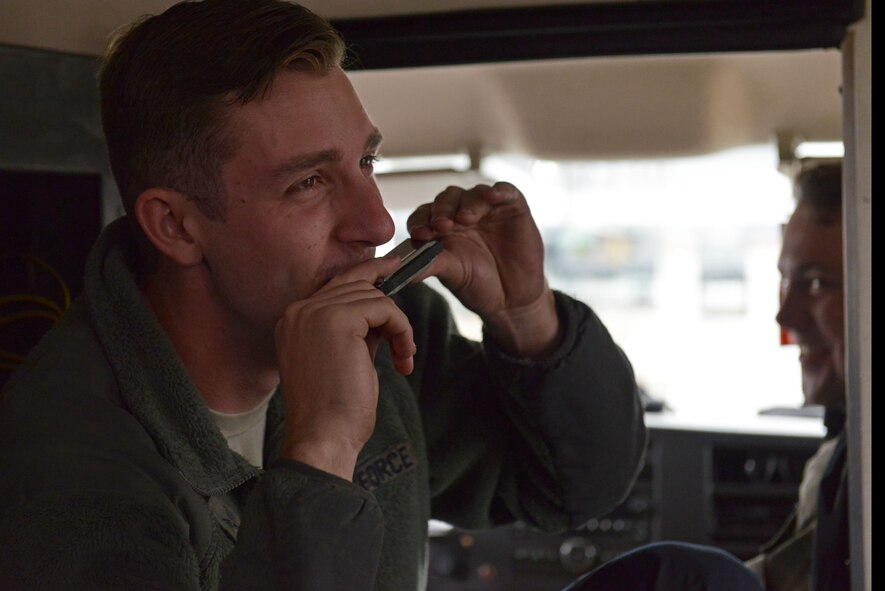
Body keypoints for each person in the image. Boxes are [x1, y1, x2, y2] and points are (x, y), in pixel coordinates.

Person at [0, 1, 646, 590]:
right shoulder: (68, 476)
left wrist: (524, 318)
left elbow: (569, 489)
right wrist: (324, 445)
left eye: (364, 163)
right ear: (176, 225)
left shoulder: (376, 329)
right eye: (308, 182)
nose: (377, 225)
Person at [566, 161, 848, 591]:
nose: (785, 314)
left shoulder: (850, 466)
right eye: (785, 281)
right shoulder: (842, 455)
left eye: (815, 284)